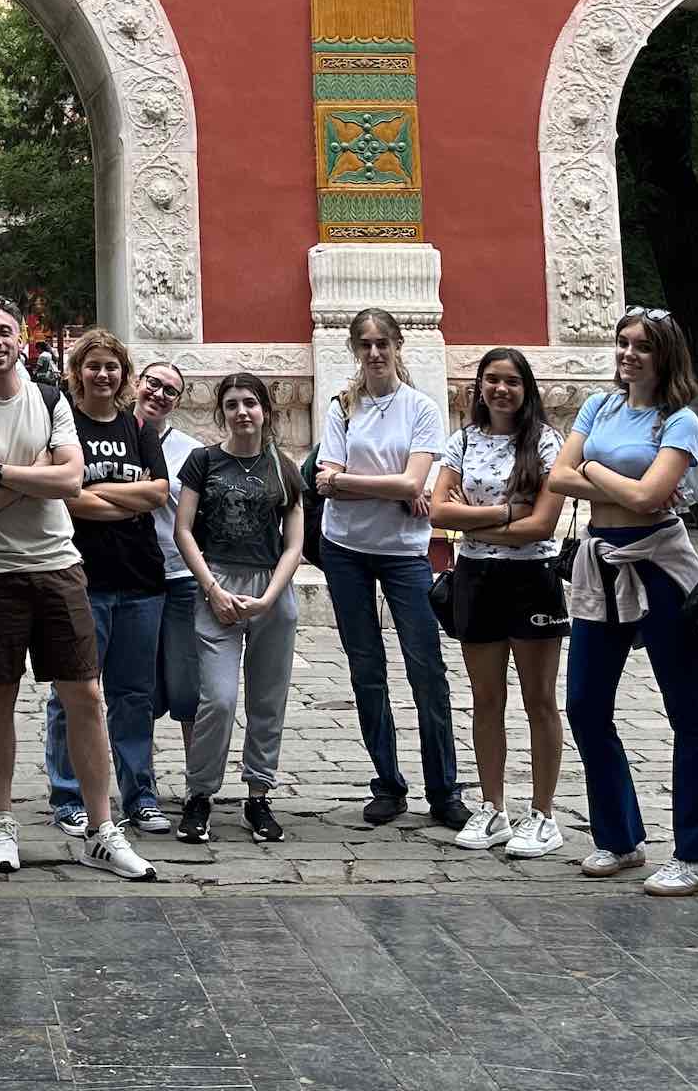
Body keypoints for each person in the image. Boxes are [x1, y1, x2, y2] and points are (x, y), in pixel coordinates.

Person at [0, 295, 157, 880]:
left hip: (58, 563)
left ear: (22, 338)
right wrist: (37, 477)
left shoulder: (51, 397)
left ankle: (102, 828)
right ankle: (3, 819)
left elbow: (71, 478)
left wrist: (3, 473)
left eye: (5, 331)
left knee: (85, 694)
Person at [552, 306, 698, 896]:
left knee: (685, 707)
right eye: (623, 343)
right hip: (600, 559)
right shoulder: (599, 407)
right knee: (584, 702)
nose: (628, 354)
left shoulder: (678, 420)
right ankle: (619, 836)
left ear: (665, 355)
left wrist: (595, 468)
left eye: (642, 346)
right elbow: (557, 476)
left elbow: (656, 495)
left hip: (659, 564)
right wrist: (619, 482)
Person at [312, 308, 464, 830]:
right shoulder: (342, 406)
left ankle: (444, 787)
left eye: (383, 343)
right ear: (355, 350)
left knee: (426, 668)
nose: (375, 353)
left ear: (398, 347)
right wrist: (396, 486)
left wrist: (351, 483)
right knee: (366, 668)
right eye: (366, 344)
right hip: (344, 548)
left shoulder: (420, 407)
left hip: (404, 551)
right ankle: (388, 783)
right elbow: (327, 477)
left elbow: (410, 483)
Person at [429, 347, 570, 860]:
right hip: (476, 577)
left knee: (539, 700)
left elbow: (543, 526)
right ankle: (492, 806)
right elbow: (438, 511)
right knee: (486, 699)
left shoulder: (547, 443)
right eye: (491, 380)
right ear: (479, 388)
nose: (500, 390)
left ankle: (543, 813)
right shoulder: (462, 440)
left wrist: (477, 519)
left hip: (532, 577)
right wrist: (509, 511)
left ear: (526, 389)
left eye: (511, 381)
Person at [40, 330, 174, 838]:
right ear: (79, 372)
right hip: (82, 578)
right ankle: (68, 794)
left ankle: (139, 793)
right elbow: (64, 495)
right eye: (93, 365)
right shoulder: (65, 427)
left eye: (112, 367)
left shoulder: (137, 426)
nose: (103, 374)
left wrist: (98, 493)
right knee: (74, 693)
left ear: (123, 374)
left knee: (133, 693)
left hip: (142, 579)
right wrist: (124, 497)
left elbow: (159, 492)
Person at [170, 371, 305, 844]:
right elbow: (183, 529)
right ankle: (199, 794)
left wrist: (270, 597)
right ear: (221, 412)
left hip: (271, 588)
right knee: (219, 698)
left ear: (265, 410)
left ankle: (258, 794)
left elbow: (294, 545)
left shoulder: (285, 468)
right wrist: (211, 588)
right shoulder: (203, 461)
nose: (242, 412)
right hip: (218, 585)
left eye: (250, 402)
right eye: (232, 404)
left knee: (267, 699)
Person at [136, 359, 207, 797]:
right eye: (153, 383)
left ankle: (197, 783)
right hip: (131, 576)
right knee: (137, 688)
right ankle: (140, 785)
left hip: (178, 575)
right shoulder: (114, 437)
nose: (159, 394)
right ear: (136, 384)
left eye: (170, 390)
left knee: (186, 687)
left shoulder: (191, 451)